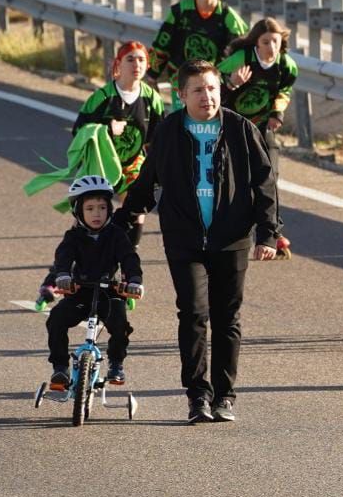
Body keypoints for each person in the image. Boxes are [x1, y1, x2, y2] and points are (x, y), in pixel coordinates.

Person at [118, 60, 279, 425]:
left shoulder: (240, 129)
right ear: (181, 95)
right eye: (198, 90)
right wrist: (123, 220)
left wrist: (267, 232)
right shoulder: (170, 130)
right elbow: (149, 179)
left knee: (227, 318)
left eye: (212, 88)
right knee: (192, 314)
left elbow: (265, 184)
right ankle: (197, 396)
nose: (207, 96)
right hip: (184, 238)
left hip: (232, 238)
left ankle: (224, 397)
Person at [39, 176, 143, 389]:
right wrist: (63, 277)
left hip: (109, 292)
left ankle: (116, 363)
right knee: (56, 319)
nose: (97, 214)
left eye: (102, 207)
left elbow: (129, 258)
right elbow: (63, 258)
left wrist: (134, 280)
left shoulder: (117, 235)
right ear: (78, 211)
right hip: (80, 292)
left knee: (120, 325)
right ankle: (60, 368)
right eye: (90, 208)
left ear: (109, 210)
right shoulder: (73, 237)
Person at [219, 17, 299, 255]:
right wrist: (232, 82)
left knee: (270, 177)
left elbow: (284, 90)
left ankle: (273, 232)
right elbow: (210, 80)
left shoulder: (286, 65)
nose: (271, 47)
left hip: (263, 127)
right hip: (235, 126)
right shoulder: (241, 59)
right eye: (265, 42)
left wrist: (277, 113)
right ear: (256, 43)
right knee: (237, 179)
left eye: (275, 41)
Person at [72, 40, 163, 244]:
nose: (136, 65)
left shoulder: (152, 99)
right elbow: (78, 131)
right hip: (101, 164)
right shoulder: (102, 97)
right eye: (130, 59)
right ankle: (75, 255)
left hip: (133, 164)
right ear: (118, 64)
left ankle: (129, 258)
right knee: (93, 213)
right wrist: (106, 130)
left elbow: (159, 138)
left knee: (137, 209)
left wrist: (157, 169)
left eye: (141, 60)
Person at [146, 0, 248, 106]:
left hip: (212, 82)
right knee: (182, 122)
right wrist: (151, 75)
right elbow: (162, 44)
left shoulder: (229, 17)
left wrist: (229, 79)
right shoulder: (180, 11)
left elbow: (242, 52)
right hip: (181, 79)